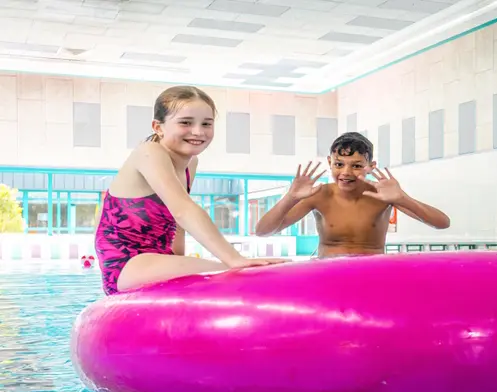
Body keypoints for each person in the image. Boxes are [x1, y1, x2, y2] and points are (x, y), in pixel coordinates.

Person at [94, 85, 287, 295]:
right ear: (158, 127)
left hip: (158, 259)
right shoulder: (149, 152)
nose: (198, 131)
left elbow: (177, 223)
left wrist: (179, 261)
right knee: (238, 273)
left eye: (207, 124)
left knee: (231, 272)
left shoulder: (190, 164)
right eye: (186, 123)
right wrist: (235, 259)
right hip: (127, 265)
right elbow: (183, 210)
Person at [255, 132, 450, 257]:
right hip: (329, 273)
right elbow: (262, 231)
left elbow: (442, 223)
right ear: (330, 162)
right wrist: (291, 198)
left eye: (356, 166)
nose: (346, 172)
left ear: (371, 167)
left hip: (370, 274)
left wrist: (402, 199)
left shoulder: (382, 196)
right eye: (339, 164)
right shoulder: (319, 195)